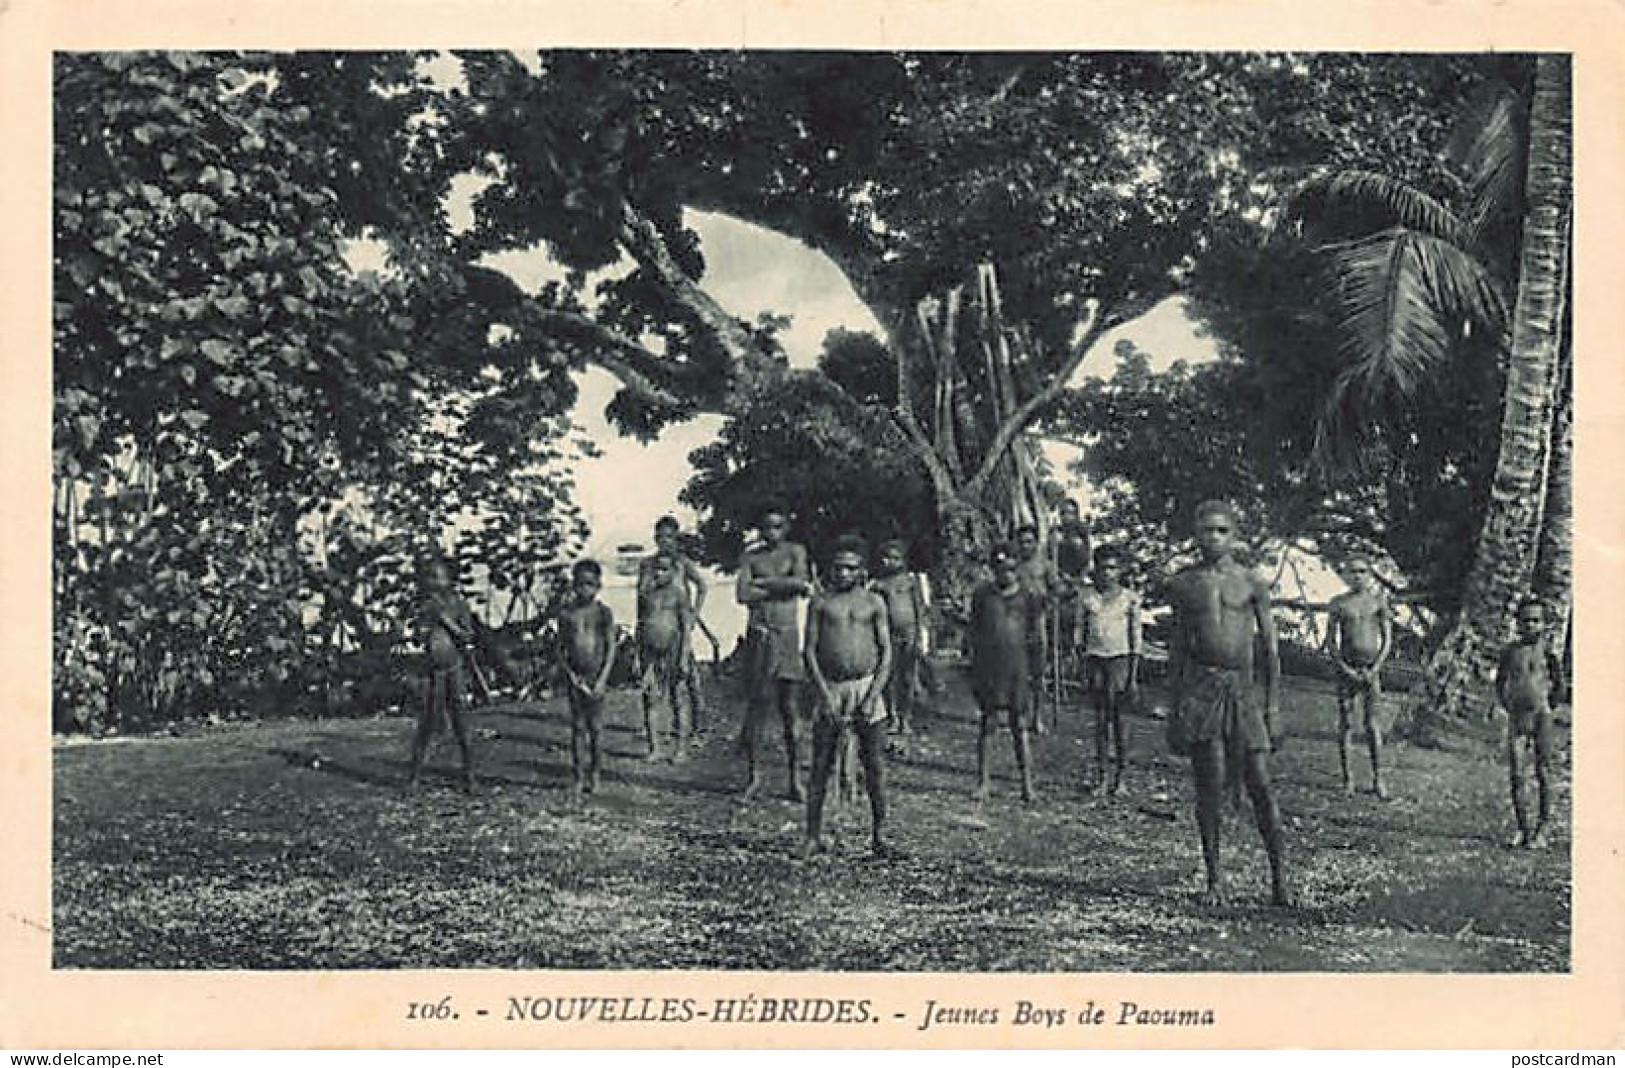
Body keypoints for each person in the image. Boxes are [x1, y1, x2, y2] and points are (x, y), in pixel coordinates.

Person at [1166, 500, 1292, 908]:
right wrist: (1175, 707)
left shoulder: (1252, 583)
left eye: (1221, 531)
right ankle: (1215, 879)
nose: (1213, 538)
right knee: (1210, 783)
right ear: (1195, 535)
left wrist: (1273, 706)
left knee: (1260, 783)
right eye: (1206, 531)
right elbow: (1178, 651)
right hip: (1202, 688)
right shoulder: (1185, 585)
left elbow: (1271, 650)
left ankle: (1280, 880)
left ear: (1234, 536)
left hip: (1242, 690)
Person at [802, 534, 895, 859]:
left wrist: (872, 696)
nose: (843, 574)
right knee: (820, 766)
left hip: (867, 686)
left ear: (861, 571)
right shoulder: (820, 602)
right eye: (838, 568)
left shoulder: (874, 603)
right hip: (831, 688)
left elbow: (886, 653)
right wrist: (824, 694)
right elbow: (809, 652)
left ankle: (880, 836)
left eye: (850, 568)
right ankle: (812, 835)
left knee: (875, 766)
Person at [735, 504, 814, 800]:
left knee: (790, 709)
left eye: (778, 526)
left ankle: (795, 780)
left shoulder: (796, 552)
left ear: (786, 527)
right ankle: (754, 777)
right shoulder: (750, 556)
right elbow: (743, 594)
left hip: (788, 637)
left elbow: (802, 585)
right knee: (758, 708)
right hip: (760, 635)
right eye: (767, 527)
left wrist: (764, 583)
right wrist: (783, 586)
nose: (773, 532)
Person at [971, 541, 1043, 803]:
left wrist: (1037, 672)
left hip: (1018, 668)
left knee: (1019, 726)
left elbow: (1036, 636)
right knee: (988, 725)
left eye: (1011, 569)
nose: (1006, 574)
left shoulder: (1029, 597)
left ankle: (1027, 784)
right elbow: (974, 635)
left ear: (1018, 569)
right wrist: (974, 672)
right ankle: (983, 782)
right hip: (990, 668)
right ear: (993, 569)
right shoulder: (982, 596)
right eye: (1000, 569)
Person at [1495, 597, 1565, 849]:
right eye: (1525, 621)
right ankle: (1522, 828)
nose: (1530, 625)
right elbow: (1500, 682)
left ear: (1544, 624)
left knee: (1543, 771)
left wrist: (1547, 707)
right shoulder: (1510, 652)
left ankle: (1542, 828)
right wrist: (1508, 705)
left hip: (1542, 715)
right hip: (1517, 718)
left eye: (1536, 621)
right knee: (1516, 773)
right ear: (1518, 623)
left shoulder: (1549, 653)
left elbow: (1560, 686)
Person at [407, 557, 478, 794]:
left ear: (450, 579)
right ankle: (414, 776)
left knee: (461, 722)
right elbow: (417, 638)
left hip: (454, 669)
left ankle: (469, 775)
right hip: (431, 672)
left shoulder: (458, 605)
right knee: (426, 725)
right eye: (430, 577)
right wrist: (421, 629)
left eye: (438, 576)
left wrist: (447, 622)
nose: (433, 581)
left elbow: (468, 637)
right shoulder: (426, 606)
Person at [638, 515, 716, 729]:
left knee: (688, 676)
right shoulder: (647, 565)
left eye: (670, 537)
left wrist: (694, 614)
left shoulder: (682, 563)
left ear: (676, 539)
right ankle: (659, 728)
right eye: (661, 537)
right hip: (655, 625)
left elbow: (702, 586)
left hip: (680, 626)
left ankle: (697, 727)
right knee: (653, 680)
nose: (665, 541)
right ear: (655, 538)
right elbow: (641, 598)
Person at [1325, 555, 1393, 799]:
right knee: (1346, 724)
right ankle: (1348, 779)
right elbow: (1331, 642)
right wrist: (1344, 668)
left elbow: (1387, 640)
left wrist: (1375, 668)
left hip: (1371, 670)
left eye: (1363, 571)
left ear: (1370, 574)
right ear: (1345, 575)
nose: (1358, 576)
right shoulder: (1338, 604)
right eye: (1353, 571)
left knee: (1373, 725)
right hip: (1346, 669)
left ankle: (1378, 779)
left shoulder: (1378, 604)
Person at [1077, 545, 1141, 796]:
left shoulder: (1129, 599)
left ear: (1120, 571)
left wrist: (1133, 676)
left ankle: (1121, 777)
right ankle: (1102, 776)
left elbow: (1136, 638)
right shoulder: (1088, 598)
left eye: (1112, 568)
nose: (1107, 573)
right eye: (1103, 568)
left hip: (1120, 662)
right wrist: (1082, 668)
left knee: (1120, 720)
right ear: (1096, 570)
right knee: (1100, 720)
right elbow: (1080, 635)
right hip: (1095, 661)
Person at [557, 559, 616, 794]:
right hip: (575, 678)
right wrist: (571, 676)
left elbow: (612, 647)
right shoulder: (566, 615)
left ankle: (596, 774)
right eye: (581, 584)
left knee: (596, 728)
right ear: (574, 585)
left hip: (596, 676)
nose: (586, 589)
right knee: (577, 727)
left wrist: (602, 679)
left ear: (599, 586)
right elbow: (560, 650)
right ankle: (578, 775)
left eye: (590, 584)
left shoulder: (603, 613)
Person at [637, 554, 695, 762]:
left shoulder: (678, 595)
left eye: (664, 569)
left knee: (678, 698)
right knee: (650, 698)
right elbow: (640, 624)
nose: (659, 573)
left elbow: (686, 627)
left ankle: (680, 749)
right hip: (649, 652)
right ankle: (655, 748)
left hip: (674, 649)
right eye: (656, 569)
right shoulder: (646, 594)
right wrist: (638, 656)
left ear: (673, 572)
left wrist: (684, 657)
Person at [871, 538, 927, 738]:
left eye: (894, 558)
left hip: (909, 633)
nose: (889, 562)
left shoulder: (911, 582)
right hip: (888, 634)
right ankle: (893, 716)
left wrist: (919, 636)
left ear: (903, 560)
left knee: (908, 678)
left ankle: (906, 717)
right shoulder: (878, 584)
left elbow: (919, 609)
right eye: (886, 558)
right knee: (890, 677)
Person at [1014, 524, 1054, 735]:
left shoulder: (1045, 566)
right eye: (1021, 542)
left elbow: (1055, 590)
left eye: (1029, 541)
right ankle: (1020, 714)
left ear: (1036, 544)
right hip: (1016, 621)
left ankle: (1037, 717)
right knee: (1019, 672)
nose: (1025, 546)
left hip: (1038, 620)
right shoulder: (1013, 567)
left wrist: (1052, 595)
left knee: (1038, 674)